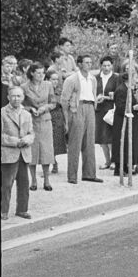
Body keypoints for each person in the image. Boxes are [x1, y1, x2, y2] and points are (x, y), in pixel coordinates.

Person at [60, 54, 103, 184]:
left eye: (90, 62)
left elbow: (93, 94)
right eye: (86, 62)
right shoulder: (71, 79)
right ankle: (72, 176)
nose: (89, 65)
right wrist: (67, 118)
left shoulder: (93, 79)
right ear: (79, 64)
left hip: (90, 108)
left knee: (89, 142)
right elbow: (64, 100)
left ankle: (89, 174)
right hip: (77, 108)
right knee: (75, 143)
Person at [2, 85, 34, 219]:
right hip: (8, 154)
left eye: (19, 96)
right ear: (8, 97)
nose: (16, 99)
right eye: (13, 96)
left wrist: (28, 139)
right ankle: (3, 211)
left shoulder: (27, 114)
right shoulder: (2, 113)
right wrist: (16, 141)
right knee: (6, 184)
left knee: (24, 184)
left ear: (23, 97)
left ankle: (22, 210)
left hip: (24, 153)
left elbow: (31, 133)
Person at [22, 63, 55, 192]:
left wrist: (44, 108)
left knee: (46, 151)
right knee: (32, 151)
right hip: (31, 122)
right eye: (38, 73)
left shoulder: (48, 85)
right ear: (32, 73)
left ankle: (47, 180)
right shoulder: (24, 87)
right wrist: (30, 109)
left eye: (43, 73)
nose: (41, 75)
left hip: (45, 121)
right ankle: (33, 180)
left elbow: (53, 103)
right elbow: (20, 104)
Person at [94, 55, 122, 170]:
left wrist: (105, 97)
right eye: (104, 65)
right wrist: (96, 98)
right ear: (101, 66)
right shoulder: (96, 78)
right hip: (99, 110)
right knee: (101, 137)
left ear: (112, 66)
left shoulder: (117, 78)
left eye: (108, 65)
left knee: (111, 137)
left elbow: (119, 93)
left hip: (111, 110)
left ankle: (115, 160)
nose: (106, 68)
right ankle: (107, 161)